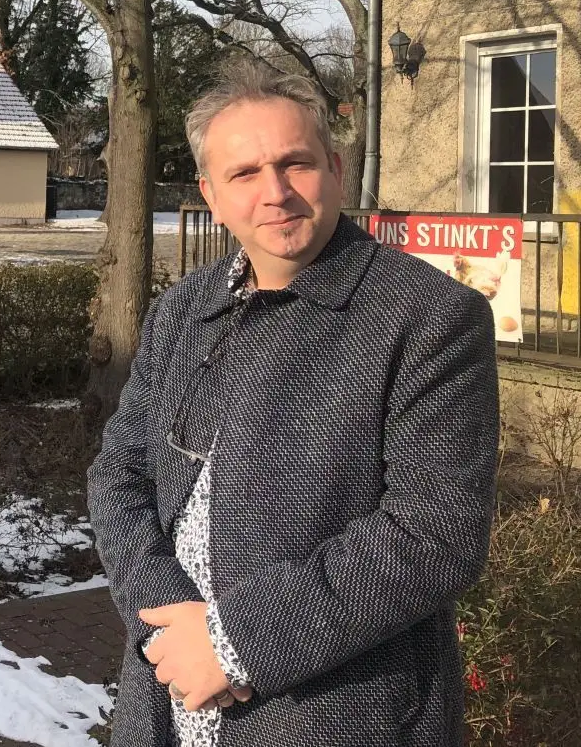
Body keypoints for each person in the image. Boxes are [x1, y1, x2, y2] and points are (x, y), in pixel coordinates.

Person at [87, 61, 499, 747]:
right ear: (210, 194)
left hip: (338, 717)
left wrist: (232, 642)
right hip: (169, 701)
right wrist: (169, 619)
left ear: (335, 168)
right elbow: (118, 475)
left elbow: (433, 533)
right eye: (244, 173)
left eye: (296, 163)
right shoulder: (182, 311)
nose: (275, 192)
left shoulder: (429, 316)